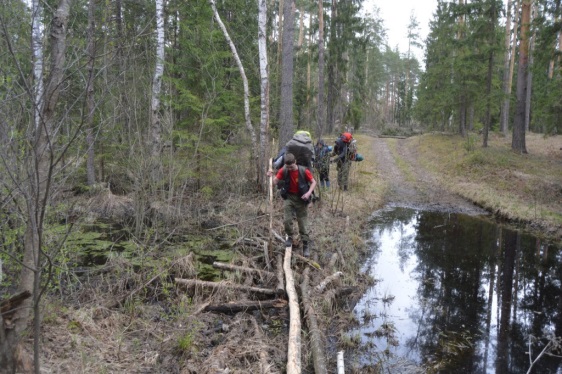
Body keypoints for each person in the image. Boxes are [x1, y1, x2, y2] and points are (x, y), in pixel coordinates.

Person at [268, 153, 317, 257]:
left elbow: (313, 182)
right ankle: (290, 237)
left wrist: (308, 193)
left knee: (302, 223)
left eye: (291, 167)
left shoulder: (304, 171)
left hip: (301, 199)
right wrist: (271, 175)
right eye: (287, 167)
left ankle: (305, 244)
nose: (289, 169)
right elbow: (274, 182)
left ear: (295, 162)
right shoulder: (284, 169)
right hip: (289, 198)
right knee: (287, 220)